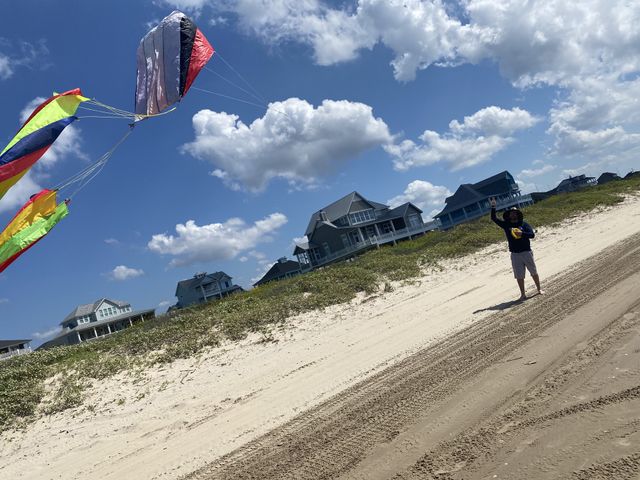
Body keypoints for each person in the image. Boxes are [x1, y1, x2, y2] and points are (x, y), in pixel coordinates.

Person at [490, 197, 543, 300]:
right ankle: (523, 294)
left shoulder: (524, 224)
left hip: (526, 252)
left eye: (515, 213)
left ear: (518, 214)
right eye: (511, 213)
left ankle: (539, 289)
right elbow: (494, 218)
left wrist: (522, 233)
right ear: (509, 215)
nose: (513, 214)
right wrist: (493, 206)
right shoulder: (506, 225)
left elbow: (532, 235)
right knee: (519, 276)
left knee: (533, 272)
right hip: (515, 254)